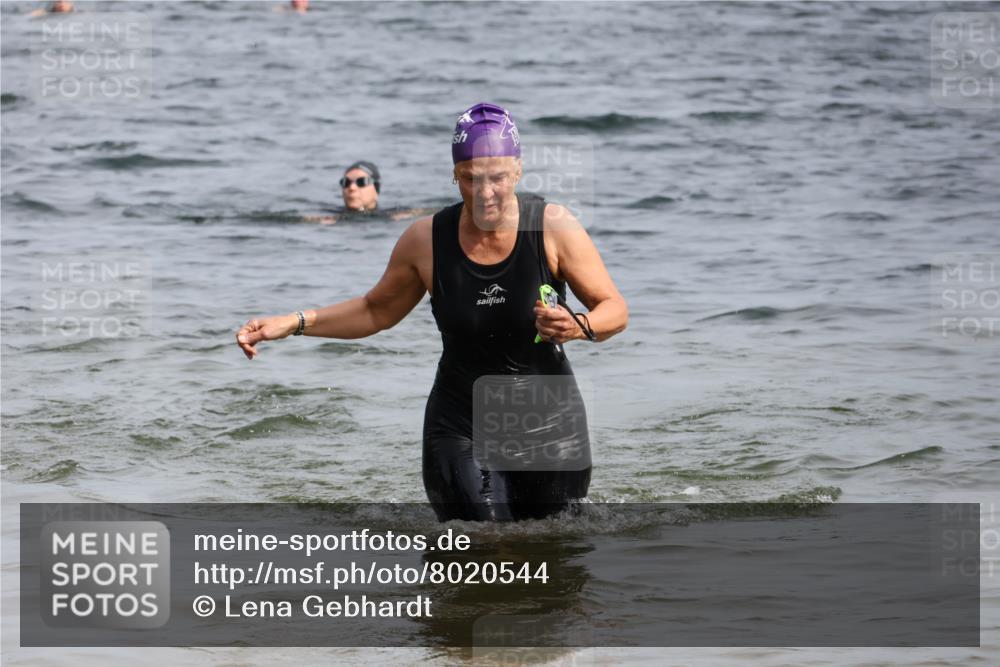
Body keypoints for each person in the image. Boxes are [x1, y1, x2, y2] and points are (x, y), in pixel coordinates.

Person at [236, 103, 628, 521]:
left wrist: (578, 325)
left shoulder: (552, 226)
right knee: (479, 545)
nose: (486, 192)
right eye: (471, 179)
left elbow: (614, 310)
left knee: (555, 558)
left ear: (517, 170)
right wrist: (295, 322)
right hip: (461, 423)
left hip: (549, 424)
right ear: (454, 174)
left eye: (497, 178)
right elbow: (375, 310)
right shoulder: (426, 239)